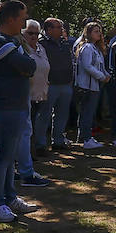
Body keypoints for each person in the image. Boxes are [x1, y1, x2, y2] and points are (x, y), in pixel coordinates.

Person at [0, 0, 42, 223]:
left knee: (8, 155)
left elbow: (28, 65)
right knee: (3, 155)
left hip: (13, 105)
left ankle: (9, 197)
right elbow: (28, 66)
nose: (25, 23)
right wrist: (26, 64)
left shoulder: (10, 40)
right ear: (10, 19)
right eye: (22, 18)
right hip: (4, 106)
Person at [17, 19, 50, 188]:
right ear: (22, 33)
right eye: (30, 33)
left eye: (37, 33)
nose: (34, 36)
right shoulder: (20, 48)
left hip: (39, 93)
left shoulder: (40, 48)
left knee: (30, 130)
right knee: (23, 133)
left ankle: (27, 162)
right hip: (24, 96)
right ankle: (23, 168)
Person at [38, 17, 74, 151]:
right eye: (58, 27)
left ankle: (58, 141)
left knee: (62, 114)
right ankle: (41, 144)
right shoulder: (42, 44)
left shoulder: (65, 43)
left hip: (65, 83)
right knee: (44, 114)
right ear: (48, 29)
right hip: (50, 84)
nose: (61, 30)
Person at [73, 21, 109, 149]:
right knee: (87, 112)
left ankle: (84, 137)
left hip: (93, 85)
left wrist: (106, 74)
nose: (99, 34)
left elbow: (100, 65)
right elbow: (87, 66)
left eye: (99, 31)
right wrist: (101, 76)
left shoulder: (96, 49)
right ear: (88, 33)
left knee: (88, 112)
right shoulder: (87, 47)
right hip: (86, 86)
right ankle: (86, 138)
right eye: (95, 31)